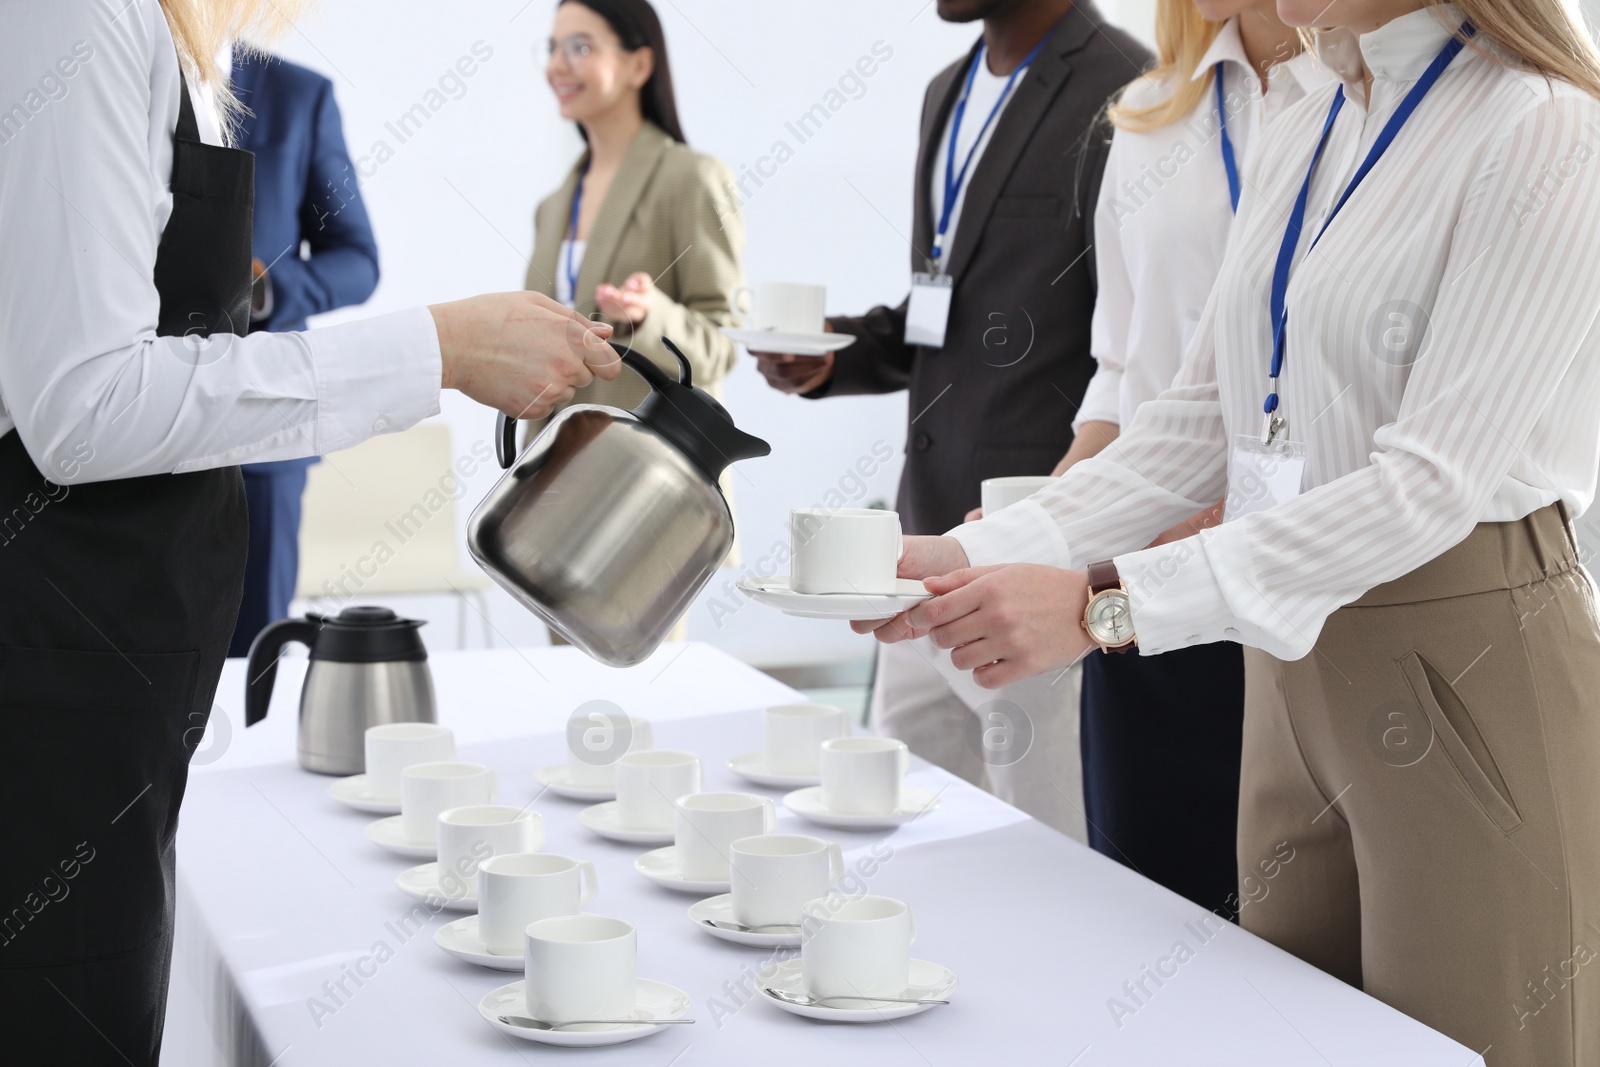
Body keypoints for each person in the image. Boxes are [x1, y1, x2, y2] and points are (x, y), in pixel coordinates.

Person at [860, 1, 1600, 1062]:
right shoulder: (1311, 111)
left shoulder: (1541, 123)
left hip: (1467, 657)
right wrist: (976, 553)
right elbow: (1195, 422)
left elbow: (1427, 487)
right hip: (1291, 668)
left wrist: (1103, 602)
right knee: (1283, 1033)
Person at [0, 1, 620, 1061]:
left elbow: (335, 263)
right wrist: (437, 348)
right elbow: (83, 406)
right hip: (59, 654)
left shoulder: (194, 50)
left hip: (127, 641)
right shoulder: (81, 18)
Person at [750, 0, 1150, 839]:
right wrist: (839, 357)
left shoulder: (1127, 88)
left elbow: (1140, 345)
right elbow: (948, 309)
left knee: (1048, 847)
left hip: (1028, 556)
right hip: (921, 546)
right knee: (903, 831)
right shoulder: (948, 90)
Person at [1055, 0, 1327, 916]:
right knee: (1144, 909)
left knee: (1292, 943)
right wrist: (1048, 519)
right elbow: (1122, 366)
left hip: (1307, 585)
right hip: (1148, 591)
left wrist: (1223, 521)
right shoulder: (1147, 116)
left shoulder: (1366, 100)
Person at [226, 45, 382, 657]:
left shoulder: (298, 95)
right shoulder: (115, 69)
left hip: (264, 434)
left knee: (255, 656)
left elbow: (358, 262)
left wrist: (267, 290)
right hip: (125, 419)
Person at [527, 0, 742, 416]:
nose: (556, 65)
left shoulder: (692, 179)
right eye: (551, 48)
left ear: (639, 66)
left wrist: (649, 318)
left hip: (650, 470)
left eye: (580, 48)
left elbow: (723, 347)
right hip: (557, 464)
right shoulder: (552, 207)